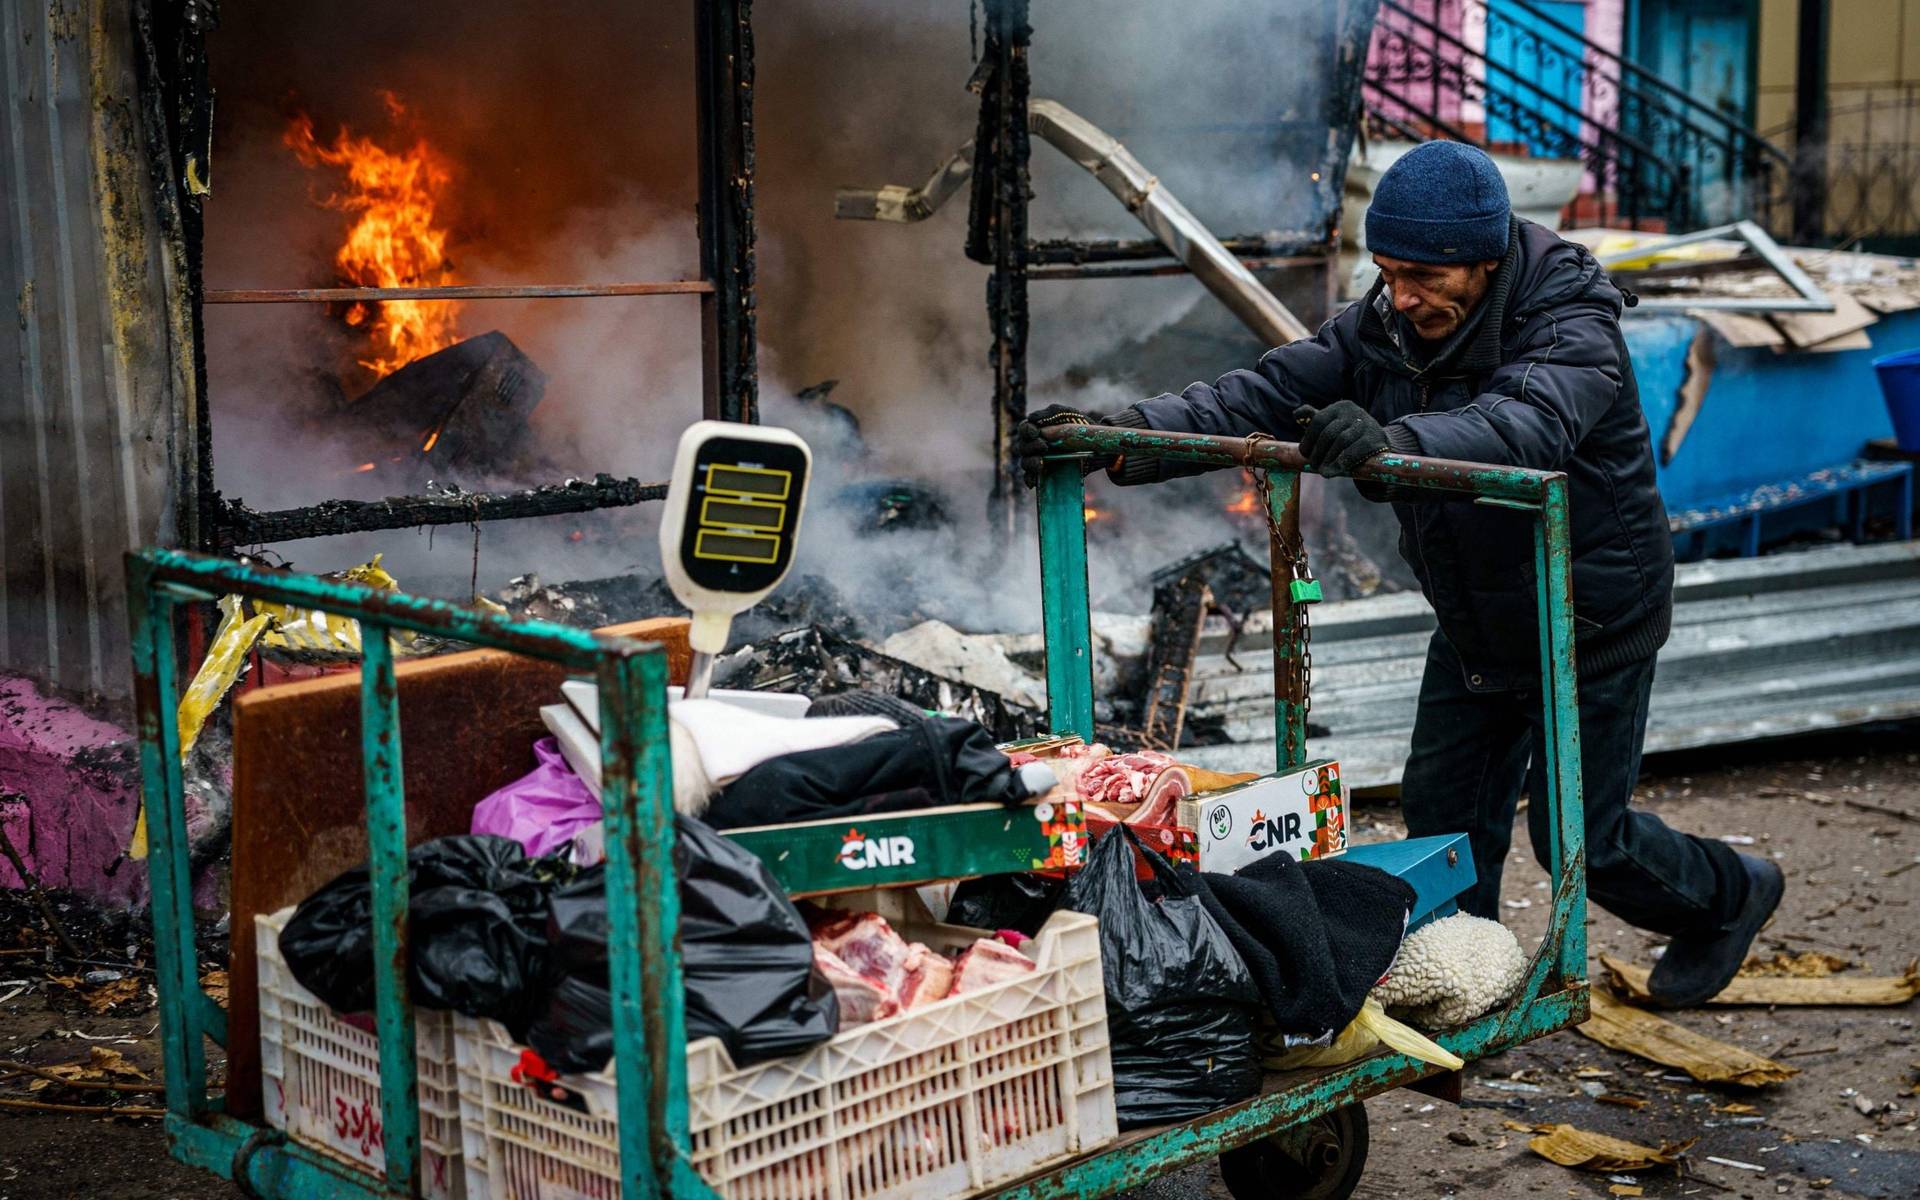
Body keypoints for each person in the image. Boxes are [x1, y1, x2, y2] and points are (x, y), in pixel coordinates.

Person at [1015, 140, 1781, 1008]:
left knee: (1584, 840)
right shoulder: (1385, 320)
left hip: (1586, 616)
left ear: (1485, 260)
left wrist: (1397, 444)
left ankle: (1731, 894)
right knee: (1446, 823)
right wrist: (1120, 437)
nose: (1401, 295)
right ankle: (1475, 985)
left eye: (1422, 276)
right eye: (1386, 272)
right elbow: (1258, 393)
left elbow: (1525, 424)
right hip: (1472, 619)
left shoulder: (1573, 323)